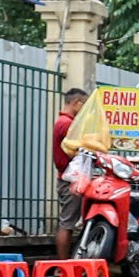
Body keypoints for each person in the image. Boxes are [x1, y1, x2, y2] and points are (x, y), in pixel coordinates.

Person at [51, 85, 89, 258]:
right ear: (75, 103)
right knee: (67, 223)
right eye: (84, 105)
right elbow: (81, 147)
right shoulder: (67, 124)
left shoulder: (63, 122)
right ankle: (62, 266)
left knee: (69, 222)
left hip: (69, 178)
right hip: (70, 180)